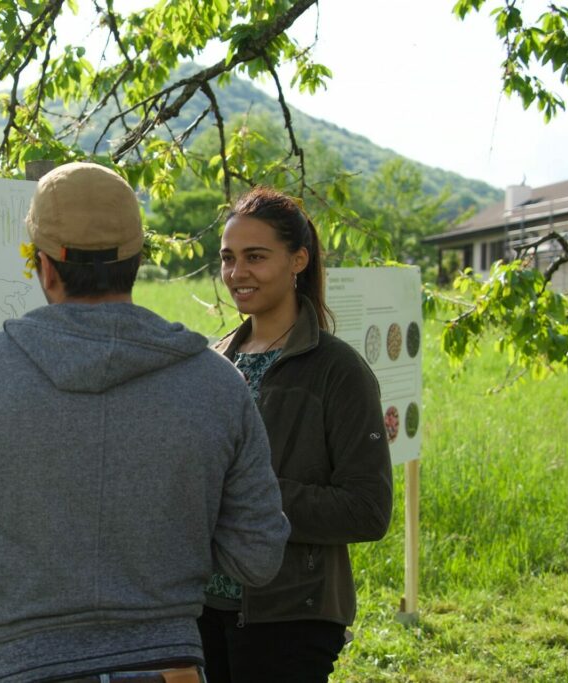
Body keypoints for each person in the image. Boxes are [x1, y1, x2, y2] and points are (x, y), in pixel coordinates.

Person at [0, 162, 291, 683]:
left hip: (30, 667)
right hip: (171, 666)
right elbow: (257, 557)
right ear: (137, 261)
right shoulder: (219, 384)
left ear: (46, 268)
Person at [198, 186, 393, 682]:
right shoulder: (211, 362)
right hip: (200, 610)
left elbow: (368, 510)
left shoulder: (338, 371)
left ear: (298, 260)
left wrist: (252, 499)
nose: (237, 273)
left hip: (290, 615)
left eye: (255, 257)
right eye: (227, 258)